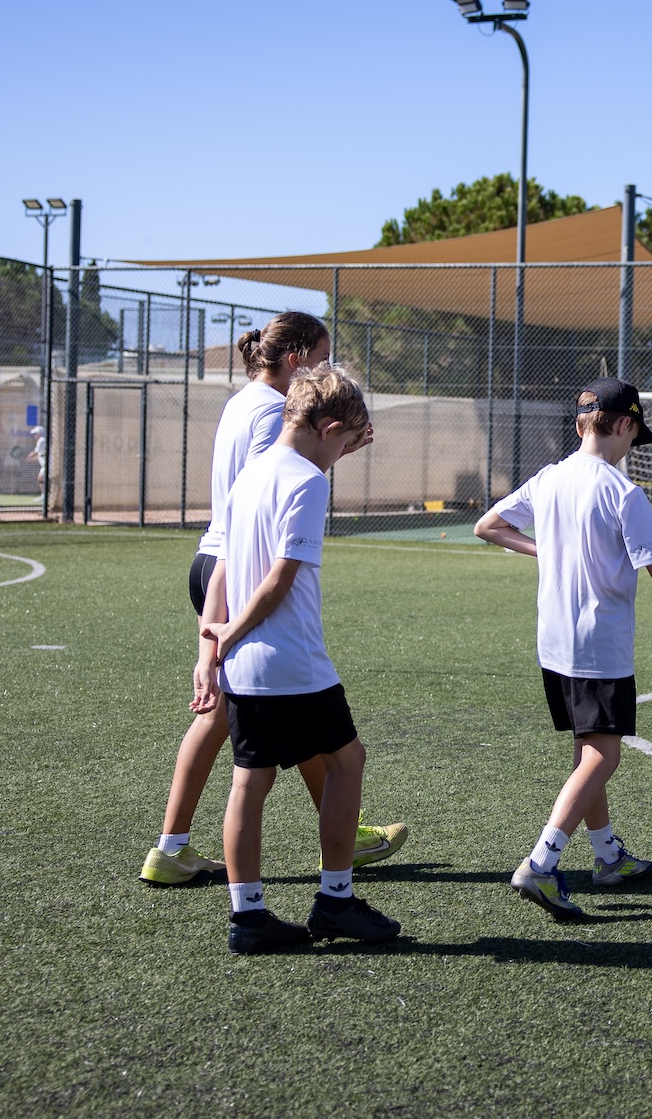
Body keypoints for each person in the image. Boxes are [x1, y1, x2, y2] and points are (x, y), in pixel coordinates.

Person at [141, 311, 407, 887]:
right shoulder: (273, 414)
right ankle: (342, 846)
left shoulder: (244, 399)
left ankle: (174, 847)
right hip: (241, 566)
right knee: (287, 713)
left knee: (228, 718)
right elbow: (283, 489)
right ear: (295, 359)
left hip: (217, 560)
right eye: (321, 359)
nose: (323, 370)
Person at [474, 377, 652, 922]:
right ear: (626, 424)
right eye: (636, 435)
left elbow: (486, 525)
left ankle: (608, 856)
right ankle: (541, 864)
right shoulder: (621, 491)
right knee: (603, 754)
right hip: (598, 644)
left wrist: (545, 549)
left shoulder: (550, 477)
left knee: (590, 750)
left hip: (555, 642)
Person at [193, 362, 401, 953]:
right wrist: (230, 634)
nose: (341, 454)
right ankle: (335, 899)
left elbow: (225, 571)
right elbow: (281, 576)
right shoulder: (309, 482)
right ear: (328, 426)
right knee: (347, 763)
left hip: (247, 667)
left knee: (249, 784)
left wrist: (213, 648)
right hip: (292, 660)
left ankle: (248, 918)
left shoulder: (252, 474)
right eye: (343, 441)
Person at [26, 425, 48, 506]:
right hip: (45, 464)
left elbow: (35, 452)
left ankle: (45, 496)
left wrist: (28, 456)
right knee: (41, 478)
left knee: (41, 478)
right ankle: (44, 495)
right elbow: (39, 455)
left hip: (48, 464)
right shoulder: (42, 440)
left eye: (36, 433)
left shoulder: (42, 440)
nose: (34, 435)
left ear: (39, 433)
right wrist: (29, 459)